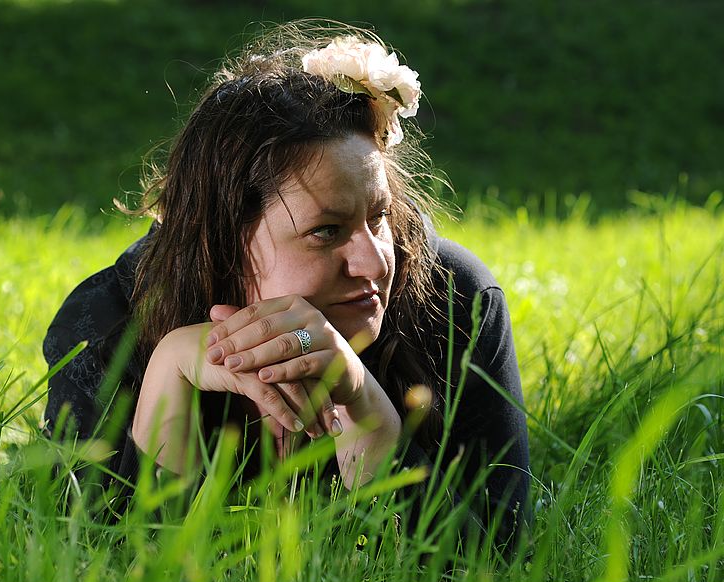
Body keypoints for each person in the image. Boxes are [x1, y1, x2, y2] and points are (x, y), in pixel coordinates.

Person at [42, 21, 531, 545]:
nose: (373, 262)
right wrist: (171, 371)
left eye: (379, 217)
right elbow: (98, 566)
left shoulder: (455, 301)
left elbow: (499, 560)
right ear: (223, 240)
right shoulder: (108, 323)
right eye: (326, 231)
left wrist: (365, 411)